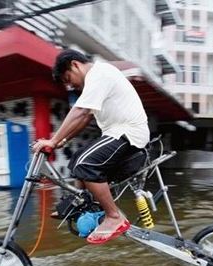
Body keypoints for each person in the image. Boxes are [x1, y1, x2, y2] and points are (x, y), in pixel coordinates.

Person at [32, 49, 150, 244]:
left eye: (68, 79)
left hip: (129, 133)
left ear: (75, 65)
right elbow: (85, 117)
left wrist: (52, 141)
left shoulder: (99, 73)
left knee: (85, 164)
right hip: (117, 133)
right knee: (76, 160)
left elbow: (80, 110)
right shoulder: (97, 79)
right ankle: (79, 205)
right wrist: (62, 141)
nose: (70, 85)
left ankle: (114, 217)